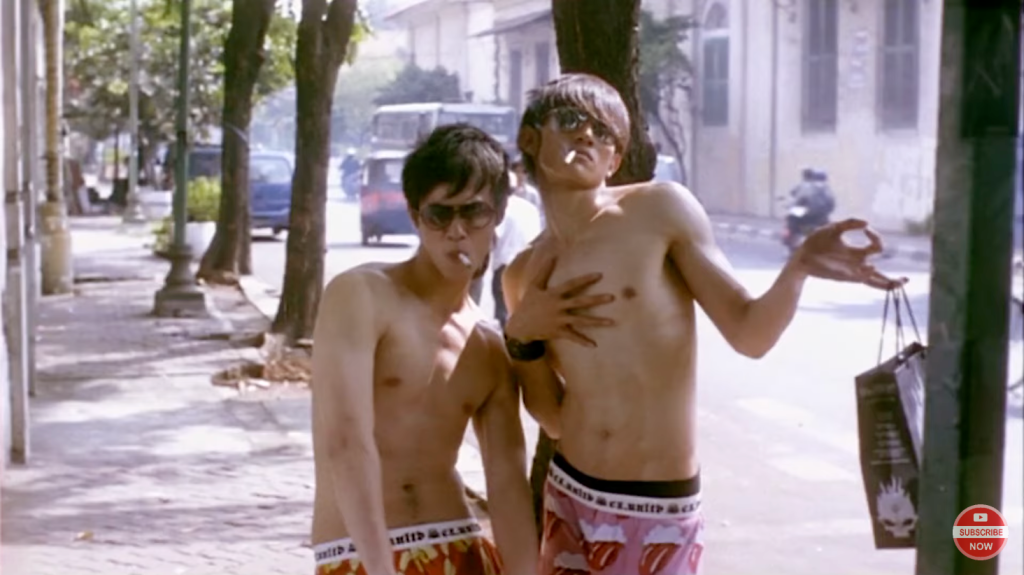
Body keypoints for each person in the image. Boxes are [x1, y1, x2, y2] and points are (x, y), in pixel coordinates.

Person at [499, 74, 905, 575]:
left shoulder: (657, 210)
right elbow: (554, 416)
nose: (587, 134)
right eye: (570, 119)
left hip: (655, 505)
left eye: (604, 132)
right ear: (530, 138)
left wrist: (797, 267)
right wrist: (521, 338)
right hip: (569, 492)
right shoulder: (521, 273)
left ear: (615, 159)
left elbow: (749, 333)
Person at [310, 124, 538, 575]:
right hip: (360, 554)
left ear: (498, 216)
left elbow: (508, 484)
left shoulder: (488, 346)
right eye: (439, 214)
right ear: (416, 217)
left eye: (473, 212)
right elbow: (346, 442)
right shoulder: (361, 295)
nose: (456, 230)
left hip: (459, 548)